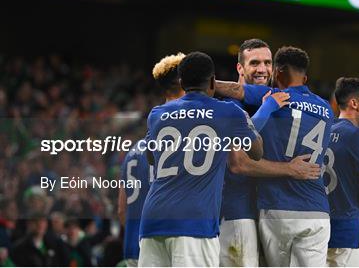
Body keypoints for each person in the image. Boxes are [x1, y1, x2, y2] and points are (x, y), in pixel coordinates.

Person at [138, 52, 263, 266]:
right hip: (194, 222)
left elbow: (151, 158)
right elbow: (257, 152)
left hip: (153, 220)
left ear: (181, 82)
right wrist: (245, 119)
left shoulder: (157, 114)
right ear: (213, 81)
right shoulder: (228, 112)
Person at [216, 46, 334, 266]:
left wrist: (205, 83)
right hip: (243, 212)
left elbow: (236, 89)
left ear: (276, 71)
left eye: (267, 63)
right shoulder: (326, 107)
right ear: (240, 68)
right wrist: (290, 168)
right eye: (255, 63)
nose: (262, 69)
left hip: (274, 208)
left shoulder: (276, 98)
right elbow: (238, 163)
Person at [118, 53, 185, 267]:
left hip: (133, 246)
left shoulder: (132, 151)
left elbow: (122, 210)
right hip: (167, 245)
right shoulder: (185, 141)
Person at [324, 77, 359, 267]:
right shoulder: (357, 134)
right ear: (354, 103)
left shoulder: (322, 131)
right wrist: (355, 211)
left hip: (321, 230)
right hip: (348, 232)